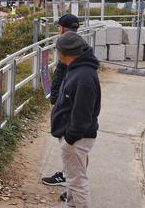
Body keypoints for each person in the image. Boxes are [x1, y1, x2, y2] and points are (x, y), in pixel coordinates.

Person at [51, 31, 101, 207]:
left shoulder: (83, 77)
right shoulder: (78, 69)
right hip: (76, 136)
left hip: (77, 138)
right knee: (74, 178)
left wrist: (70, 138)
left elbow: (83, 113)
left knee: (77, 182)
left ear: (64, 53)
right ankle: (71, 204)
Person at [41, 14, 80, 187]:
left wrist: (57, 97)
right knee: (72, 149)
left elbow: (64, 75)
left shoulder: (67, 46)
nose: (57, 30)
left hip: (66, 102)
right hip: (64, 99)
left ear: (63, 28)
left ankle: (69, 179)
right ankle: (69, 177)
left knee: (69, 146)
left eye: (59, 27)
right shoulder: (77, 45)